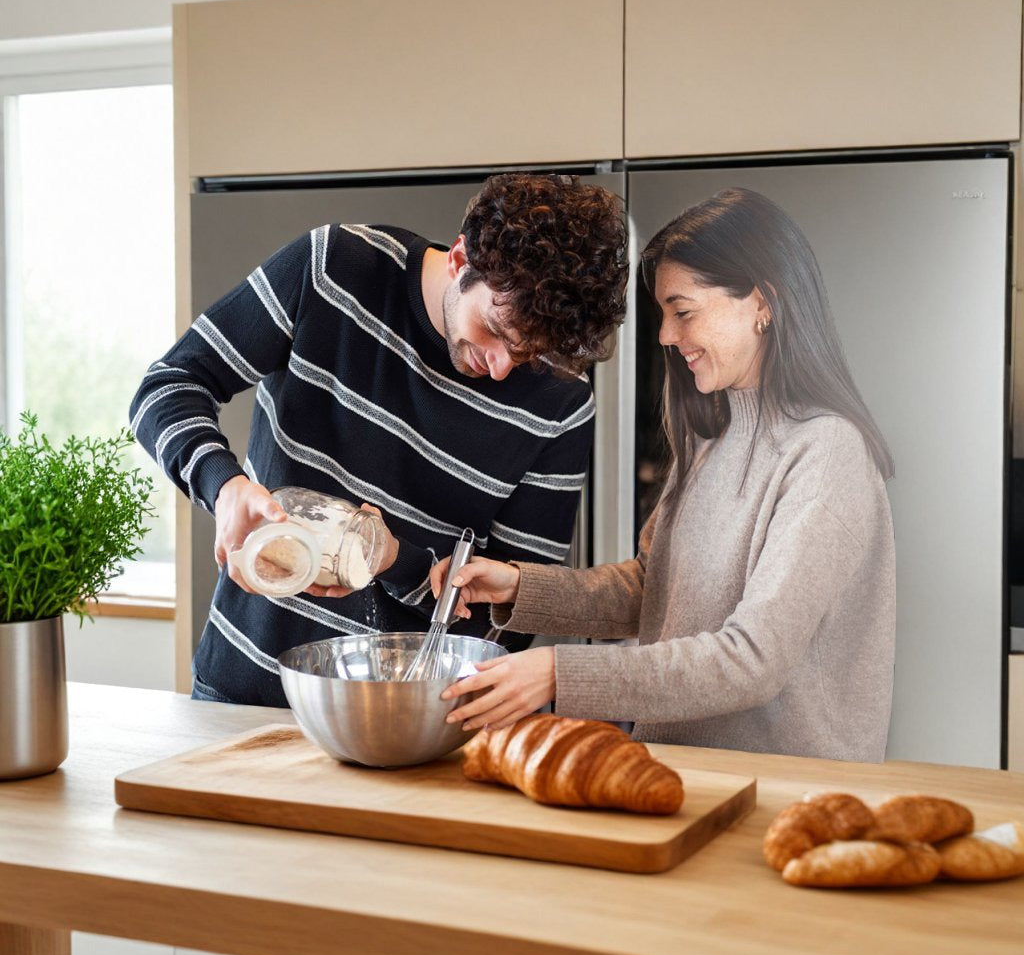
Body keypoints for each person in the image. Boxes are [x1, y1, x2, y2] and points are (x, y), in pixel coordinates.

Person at [130, 173, 628, 706]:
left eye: (528, 352)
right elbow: (168, 386)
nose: (504, 367)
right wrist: (222, 485)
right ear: (462, 259)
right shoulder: (333, 269)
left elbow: (509, 619)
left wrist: (393, 561)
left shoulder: (562, 404)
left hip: (409, 726)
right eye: (496, 331)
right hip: (242, 693)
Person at [435, 187, 897, 763]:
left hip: (786, 793)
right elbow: (654, 591)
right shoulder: (712, 438)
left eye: (683, 311)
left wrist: (558, 671)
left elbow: (752, 660)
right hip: (691, 776)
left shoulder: (827, 453)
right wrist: (519, 586)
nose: (665, 337)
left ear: (763, 303)